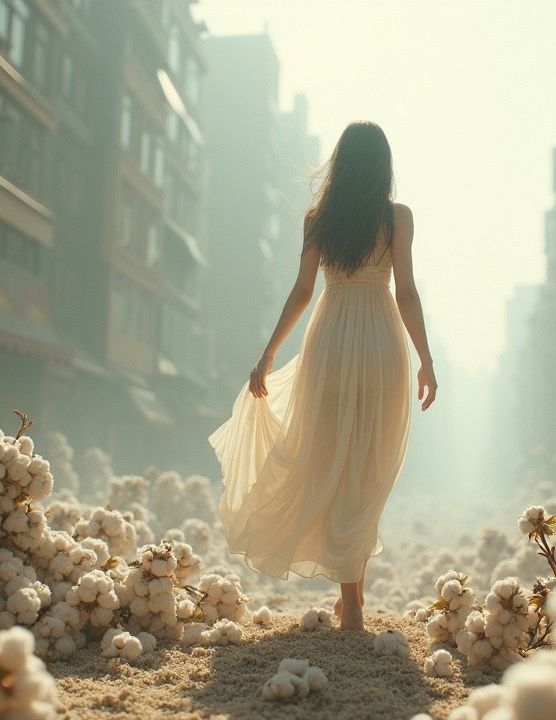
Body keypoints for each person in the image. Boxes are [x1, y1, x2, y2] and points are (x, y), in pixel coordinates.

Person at [209, 121, 437, 631]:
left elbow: (302, 291)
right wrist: (426, 359)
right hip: (380, 344)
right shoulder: (398, 217)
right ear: (384, 166)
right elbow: (407, 294)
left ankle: (350, 598)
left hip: (330, 344)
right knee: (367, 469)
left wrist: (268, 354)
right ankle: (353, 598)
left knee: (335, 462)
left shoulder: (319, 219)